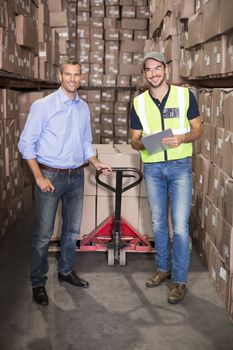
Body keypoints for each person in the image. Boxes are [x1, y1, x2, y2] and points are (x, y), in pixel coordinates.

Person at [18, 58, 112, 306]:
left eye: (77, 75)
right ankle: (38, 282)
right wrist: (38, 177)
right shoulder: (44, 106)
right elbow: (26, 144)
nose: (73, 79)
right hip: (49, 176)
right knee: (43, 234)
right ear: (60, 76)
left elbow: (85, 141)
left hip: (76, 176)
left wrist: (95, 161)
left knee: (71, 231)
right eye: (68, 74)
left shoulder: (83, 108)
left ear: (82, 77)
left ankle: (66, 270)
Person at [129, 51, 202, 304]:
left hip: (180, 165)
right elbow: (133, 140)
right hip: (153, 168)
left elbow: (198, 129)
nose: (153, 73)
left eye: (157, 68)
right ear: (144, 74)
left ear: (166, 70)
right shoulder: (138, 102)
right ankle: (162, 269)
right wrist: (145, 145)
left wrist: (181, 138)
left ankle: (179, 281)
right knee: (159, 222)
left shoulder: (184, 96)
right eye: (148, 69)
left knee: (180, 226)